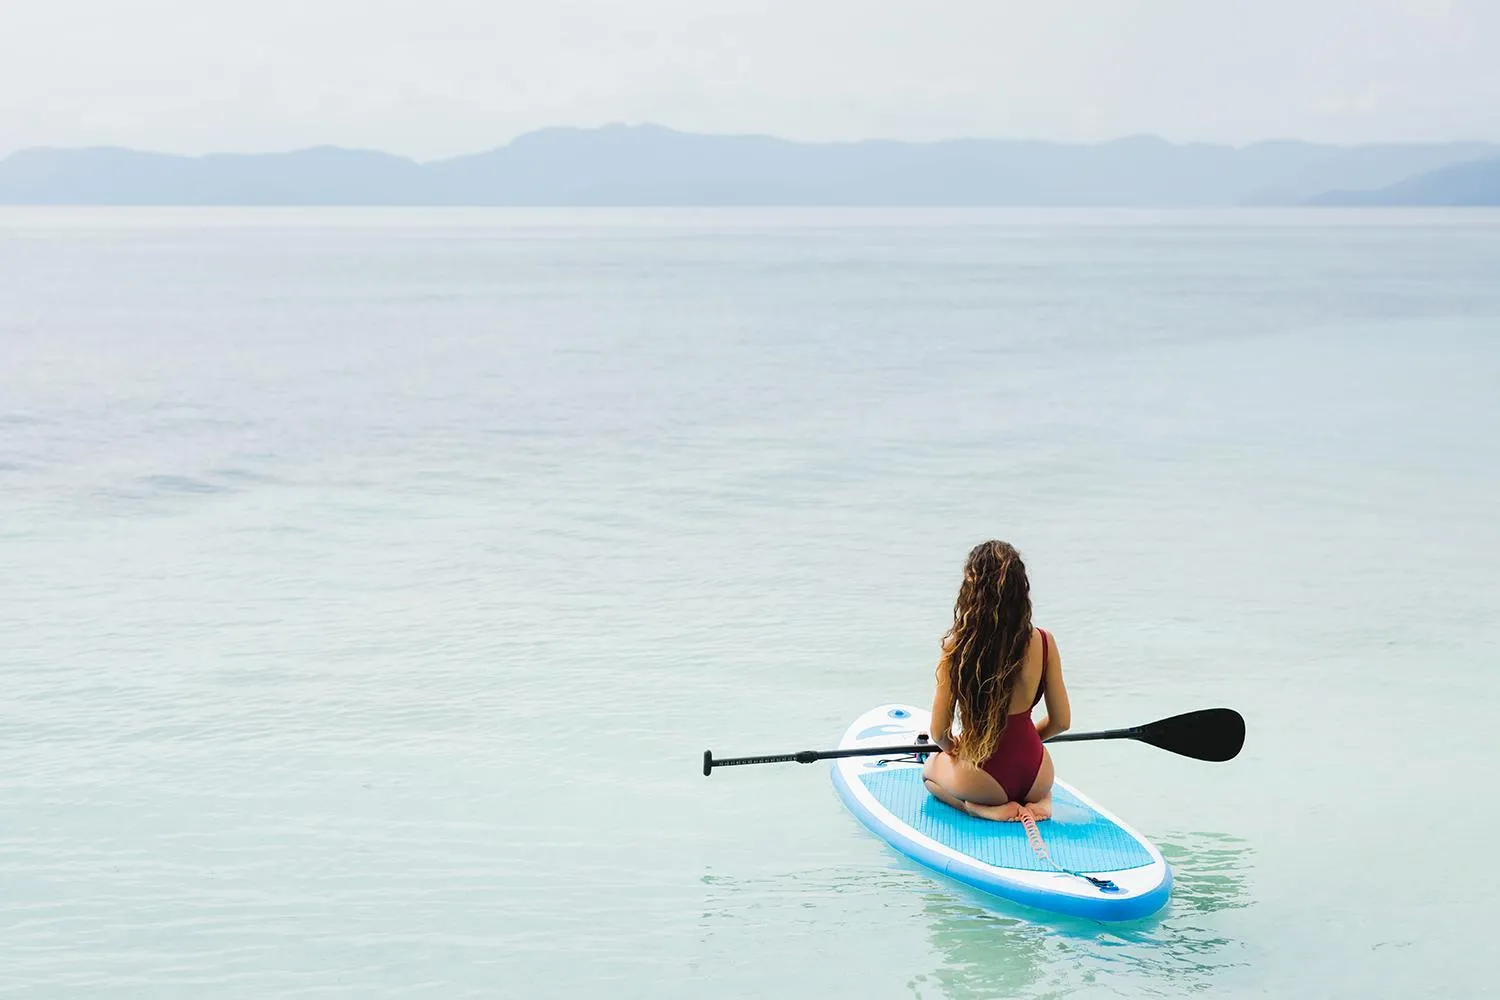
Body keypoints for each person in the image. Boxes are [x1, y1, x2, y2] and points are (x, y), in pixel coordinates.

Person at [921, 540, 1071, 821]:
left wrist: (959, 750)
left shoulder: (957, 647)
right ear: (1020, 591)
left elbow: (939, 733)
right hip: (1037, 774)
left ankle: (979, 809)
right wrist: (1024, 745)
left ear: (971, 592)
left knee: (930, 773)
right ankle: (1041, 803)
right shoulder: (1044, 641)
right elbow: (1061, 722)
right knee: (1029, 772)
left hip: (983, 778)